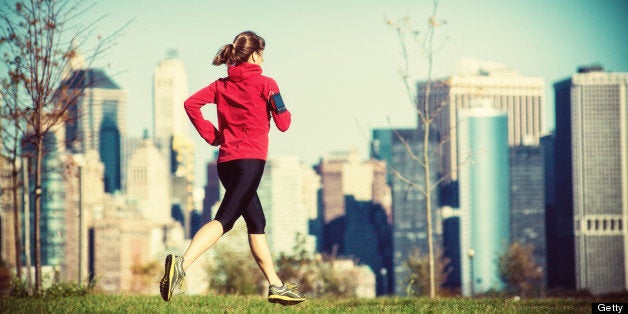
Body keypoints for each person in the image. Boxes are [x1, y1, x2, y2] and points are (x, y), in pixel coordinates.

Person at [159, 31, 305, 306]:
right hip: (250, 163)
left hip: (226, 164)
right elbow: (284, 123)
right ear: (254, 55)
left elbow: (191, 104)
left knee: (257, 223)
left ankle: (276, 285)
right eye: (262, 53)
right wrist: (277, 101)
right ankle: (182, 264)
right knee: (224, 220)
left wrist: (212, 135)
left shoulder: (221, 85)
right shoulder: (266, 84)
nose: (263, 59)